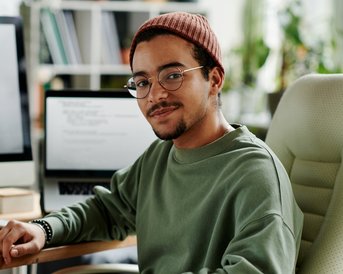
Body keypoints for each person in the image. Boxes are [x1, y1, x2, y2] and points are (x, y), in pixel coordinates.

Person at [0, 12, 303, 273]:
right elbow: (107, 210)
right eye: (143, 82)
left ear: (214, 79)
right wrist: (43, 228)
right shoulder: (161, 155)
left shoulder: (255, 173)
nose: (155, 95)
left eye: (172, 75)